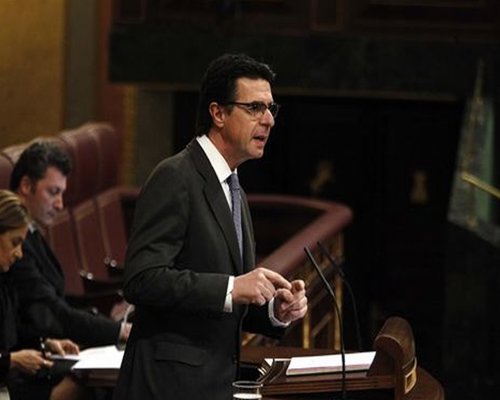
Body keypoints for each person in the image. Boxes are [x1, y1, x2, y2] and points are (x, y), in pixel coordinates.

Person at [113, 53, 308, 400]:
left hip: (212, 384)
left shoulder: (233, 188)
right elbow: (142, 279)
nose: (268, 120)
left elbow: (224, 304)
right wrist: (233, 287)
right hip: (167, 387)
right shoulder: (175, 176)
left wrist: (274, 311)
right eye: (255, 108)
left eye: (270, 109)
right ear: (218, 113)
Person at [7, 141, 131, 349]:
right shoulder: (12, 247)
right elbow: (49, 311)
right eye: (53, 192)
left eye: (62, 193)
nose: (60, 204)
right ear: (26, 185)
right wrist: (119, 331)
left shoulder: (33, 232)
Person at [0, 189, 83, 400]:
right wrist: (11, 360)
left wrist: (43, 343)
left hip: (8, 379)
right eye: (15, 242)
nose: (19, 253)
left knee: (82, 377)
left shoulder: (4, 279)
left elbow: (12, 333)